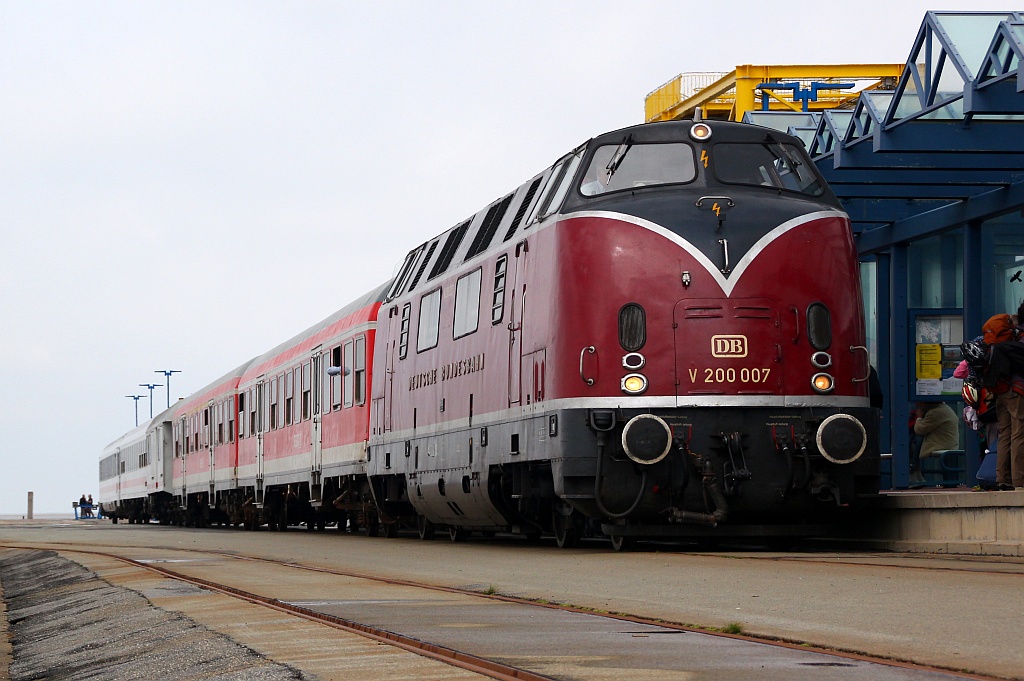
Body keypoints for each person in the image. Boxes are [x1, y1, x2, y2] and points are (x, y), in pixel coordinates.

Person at [910, 400, 960, 486]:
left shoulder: (935, 412)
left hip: (941, 444)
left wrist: (919, 418)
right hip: (948, 443)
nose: (917, 405)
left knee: (913, 441)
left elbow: (920, 430)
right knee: (914, 440)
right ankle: (915, 471)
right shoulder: (944, 409)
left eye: (919, 402)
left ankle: (912, 470)